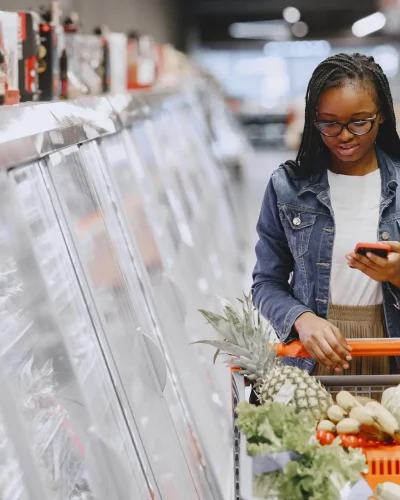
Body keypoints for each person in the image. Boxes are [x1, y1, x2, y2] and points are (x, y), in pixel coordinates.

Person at [252, 53, 400, 376]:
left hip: (391, 353)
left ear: (383, 116)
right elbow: (266, 283)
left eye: (360, 122)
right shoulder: (287, 188)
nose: (344, 135)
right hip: (314, 359)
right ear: (313, 119)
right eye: (329, 123)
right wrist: (301, 320)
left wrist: (397, 274)